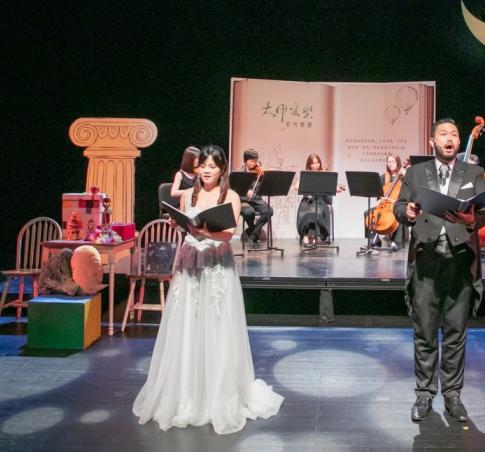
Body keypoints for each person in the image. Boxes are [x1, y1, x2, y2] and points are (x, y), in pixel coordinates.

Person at [133, 145, 283, 434]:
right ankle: (185, 392)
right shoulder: (188, 194)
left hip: (216, 261)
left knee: (216, 322)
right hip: (190, 260)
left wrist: (204, 232)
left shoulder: (231, 196)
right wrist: (180, 224)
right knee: (187, 322)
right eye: (203, 165)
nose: (206, 170)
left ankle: (218, 394)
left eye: (212, 166)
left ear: (222, 168)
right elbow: (184, 224)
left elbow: (229, 233)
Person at [394, 118, 485, 423]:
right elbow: (398, 208)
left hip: (460, 262)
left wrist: (472, 220)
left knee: (455, 333)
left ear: (458, 141)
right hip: (426, 261)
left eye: (454, 134)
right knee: (424, 332)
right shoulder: (416, 173)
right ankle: (424, 394)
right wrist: (408, 213)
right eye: (443, 134)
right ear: (432, 141)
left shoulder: (474, 173)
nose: (449, 139)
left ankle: (453, 395)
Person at [295, 153, 343, 245]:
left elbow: (329, 187)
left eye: (318, 162)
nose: (316, 165)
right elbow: (296, 186)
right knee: (306, 213)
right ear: (309, 165)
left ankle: (314, 235)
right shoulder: (306, 175)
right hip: (307, 201)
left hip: (320, 201)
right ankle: (305, 235)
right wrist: (307, 190)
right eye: (313, 163)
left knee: (316, 212)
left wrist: (335, 189)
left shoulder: (323, 174)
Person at [238, 149, 273, 248]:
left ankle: (253, 232)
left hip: (257, 200)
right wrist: (246, 190)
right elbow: (235, 187)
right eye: (252, 161)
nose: (254, 163)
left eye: (256, 161)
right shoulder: (239, 172)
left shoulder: (259, 171)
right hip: (244, 200)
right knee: (249, 212)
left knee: (269, 211)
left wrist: (267, 176)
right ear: (245, 161)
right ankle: (252, 229)